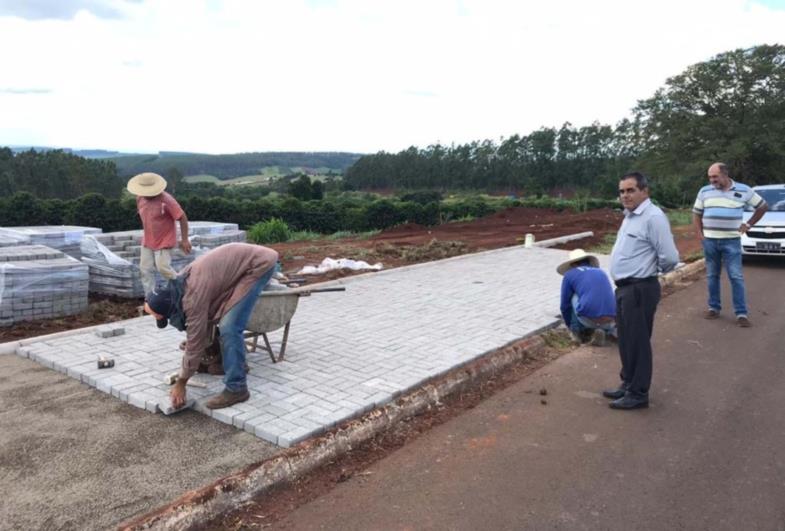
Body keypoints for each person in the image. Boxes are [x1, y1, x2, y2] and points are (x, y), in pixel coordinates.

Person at [144, 242, 279, 410]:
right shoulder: (178, 286)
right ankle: (239, 363)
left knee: (229, 326)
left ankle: (237, 388)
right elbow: (200, 327)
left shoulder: (192, 297)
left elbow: (196, 338)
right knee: (218, 318)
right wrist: (197, 344)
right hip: (241, 265)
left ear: (170, 310)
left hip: (258, 264)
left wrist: (181, 382)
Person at [605, 171, 679, 410]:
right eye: (622, 191)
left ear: (644, 191)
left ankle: (638, 393)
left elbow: (670, 257)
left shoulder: (653, 217)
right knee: (626, 340)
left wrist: (647, 272)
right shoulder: (630, 216)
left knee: (638, 342)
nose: (625, 195)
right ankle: (628, 383)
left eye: (630, 190)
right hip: (625, 288)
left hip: (640, 288)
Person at [692, 162, 767, 327]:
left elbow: (762, 206)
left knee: (736, 276)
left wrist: (748, 224)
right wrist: (700, 234)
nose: (712, 180)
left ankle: (741, 314)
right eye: (710, 177)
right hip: (710, 241)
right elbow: (696, 214)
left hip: (731, 241)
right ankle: (713, 308)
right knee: (712, 276)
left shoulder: (744, 190)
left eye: (715, 176)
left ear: (725, 174)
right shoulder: (704, 192)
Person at [127, 172, 192, 294]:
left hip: (165, 239)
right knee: (145, 269)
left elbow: (182, 217)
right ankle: (150, 296)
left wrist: (184, 239)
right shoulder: (140, 198)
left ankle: (184, 288)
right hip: (148, 239)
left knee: (162, 267)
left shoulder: (166, 200)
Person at [557, 248, 616, 346]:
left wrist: (569, 325)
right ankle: (604, 331)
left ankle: (577, 334)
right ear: (588, 261)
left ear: (573, 264)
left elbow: (565, 305)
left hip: (587, 320)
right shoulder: (601, 272)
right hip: (610, 322)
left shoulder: (569, 274)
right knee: (597, 295)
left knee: (574, 296)